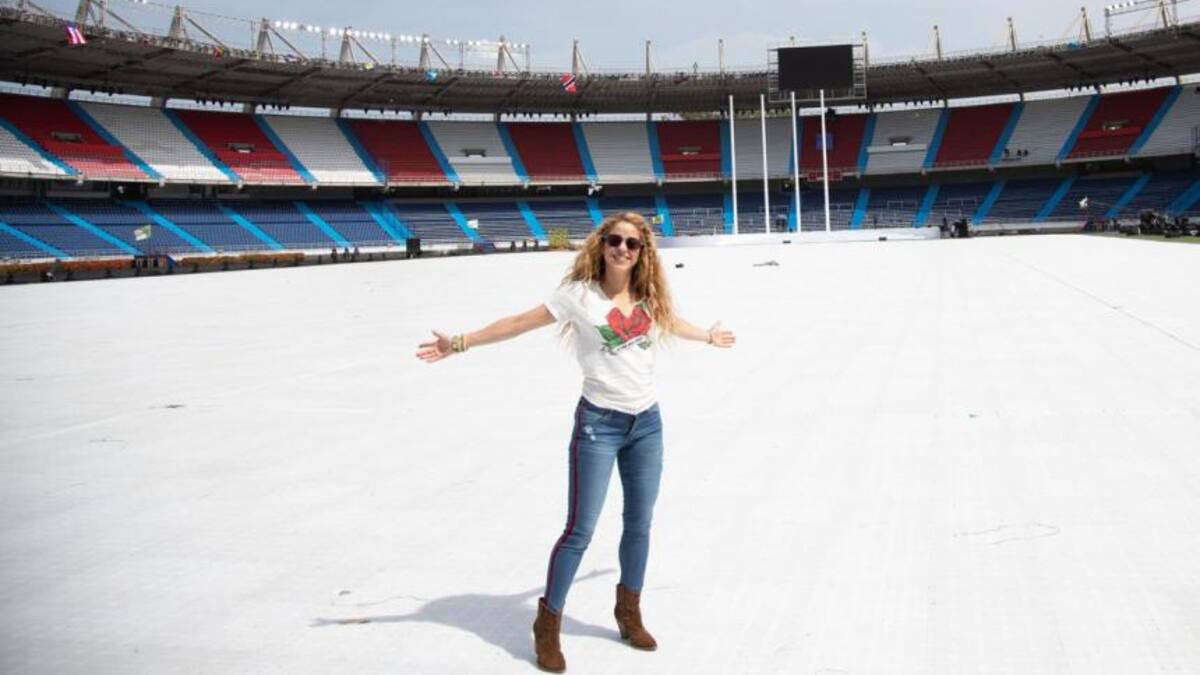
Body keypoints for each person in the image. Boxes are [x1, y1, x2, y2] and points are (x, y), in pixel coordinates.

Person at [416, 212, 735, 672]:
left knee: (639, 524)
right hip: (598, 425)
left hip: (647, 424)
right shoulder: (578, 295)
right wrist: (462, 342)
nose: (622, 249)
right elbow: (520, 322)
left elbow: (671, 322)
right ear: (602, 245)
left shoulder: (648, 295)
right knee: (580, 531)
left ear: (643, 252)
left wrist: (707, 335)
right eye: (615, 240)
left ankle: (628, 612)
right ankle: (548, 626)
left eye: (632, 243)